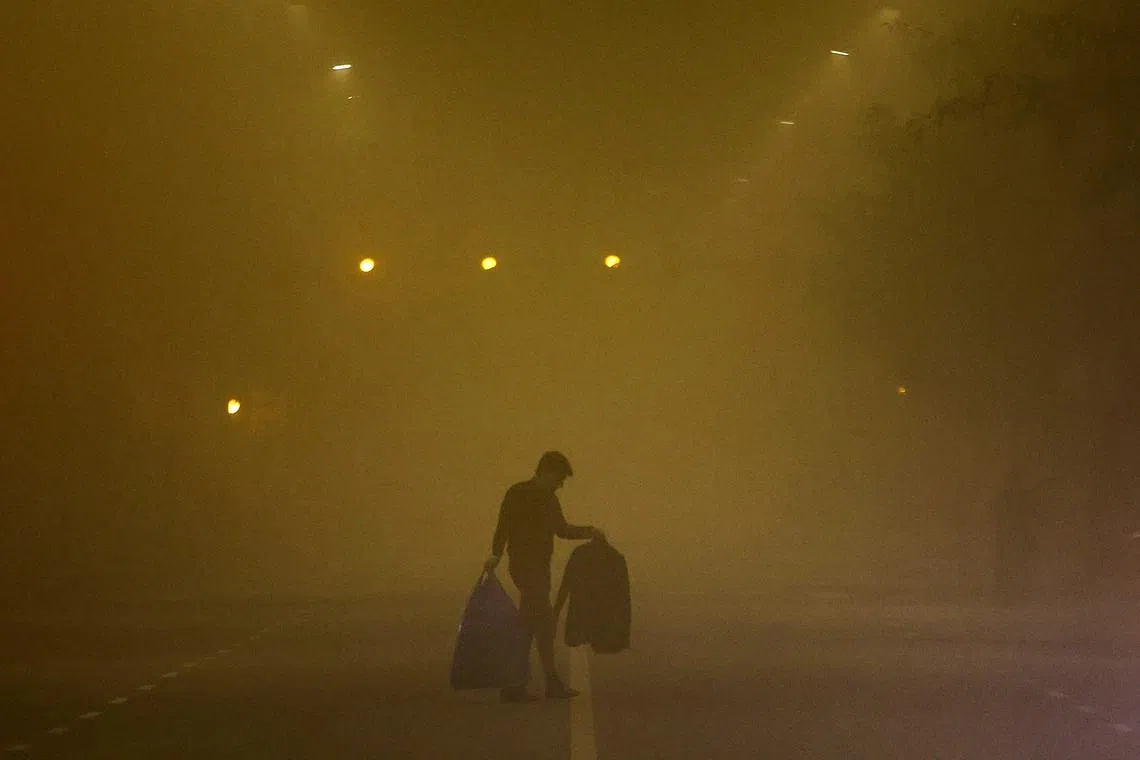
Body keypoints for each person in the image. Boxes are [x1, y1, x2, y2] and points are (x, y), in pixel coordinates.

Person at [484, 451, 604, 702]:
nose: (560, 485)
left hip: (540, 568)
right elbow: (503, 526)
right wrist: (496, 554)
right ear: (547, 472)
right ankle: (550, 683)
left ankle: (514, 685)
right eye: (559, 479)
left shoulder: (549, 499)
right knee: (545, 621)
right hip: (523, 566)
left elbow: (561, 530)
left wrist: (590, 531)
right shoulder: (517, 493)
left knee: (528, 624)